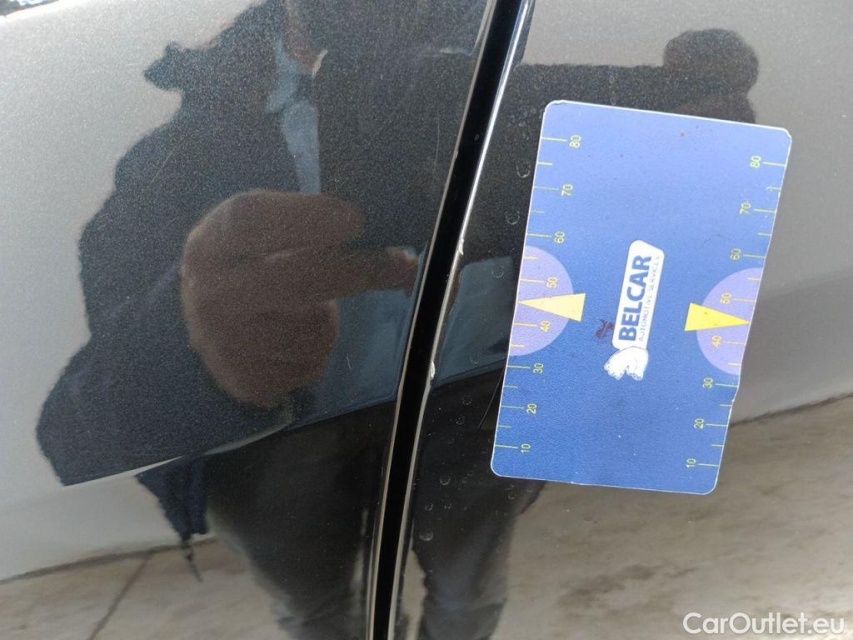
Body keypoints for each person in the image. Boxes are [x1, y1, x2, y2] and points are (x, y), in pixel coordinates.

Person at [35, 0, 760, 634]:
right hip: (272, 447)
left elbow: (617, 324)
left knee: (467, 594)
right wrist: (187, 344)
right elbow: (73, 428)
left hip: (471, 403)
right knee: (321, 611)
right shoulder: (168, 163)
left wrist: (680, 212)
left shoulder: (532, 107)